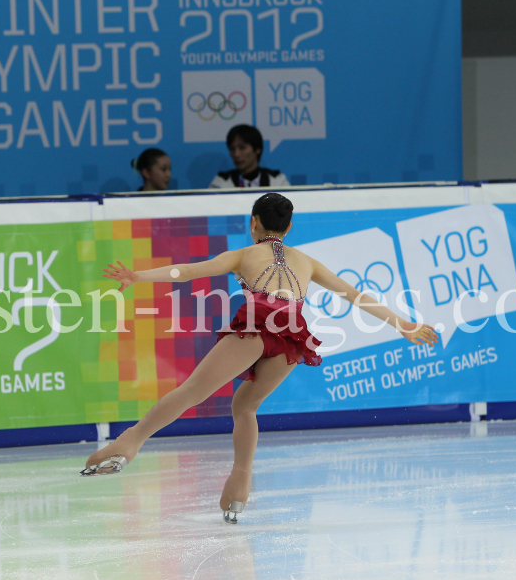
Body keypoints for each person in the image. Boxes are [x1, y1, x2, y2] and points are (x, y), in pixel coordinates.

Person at [84, 193, 439, 524]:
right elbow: (354, 295)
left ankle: (130, 441)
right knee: (245, 407)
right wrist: (403, 325)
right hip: (292, 337)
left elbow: (190, 271)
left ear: (254, 223)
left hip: (257, 327)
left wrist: (139, 276)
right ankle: (240, 486)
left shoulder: (242, 255)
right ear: (289, 227)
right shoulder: (308, 261)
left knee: (193, 391)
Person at [209, 125, 290, 189]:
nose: (236, 154)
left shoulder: (276, 181)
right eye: (232, 149)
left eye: (242, 148)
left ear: (257, 149)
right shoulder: (221, 183)